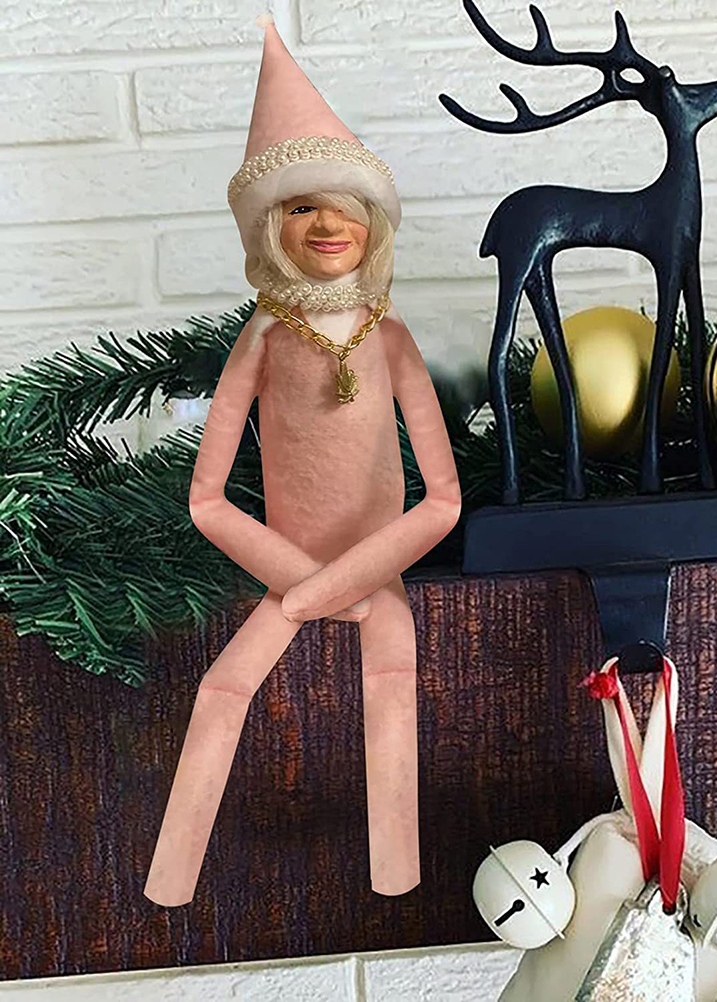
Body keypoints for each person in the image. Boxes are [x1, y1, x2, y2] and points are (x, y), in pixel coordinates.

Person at [143, 15, 461, 906]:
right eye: (299, 206)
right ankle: (169, 882)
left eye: (342, 204)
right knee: (221, 687)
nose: (325, 223)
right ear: (268, 227)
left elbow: (442, 499)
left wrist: (340, 587)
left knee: (392, 680)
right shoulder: (264, 339)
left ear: (373, 222)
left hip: (370, 569)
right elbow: (206, 499)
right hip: (289, 564)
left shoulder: (388, 337)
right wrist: (304, 584)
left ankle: (396, 883)